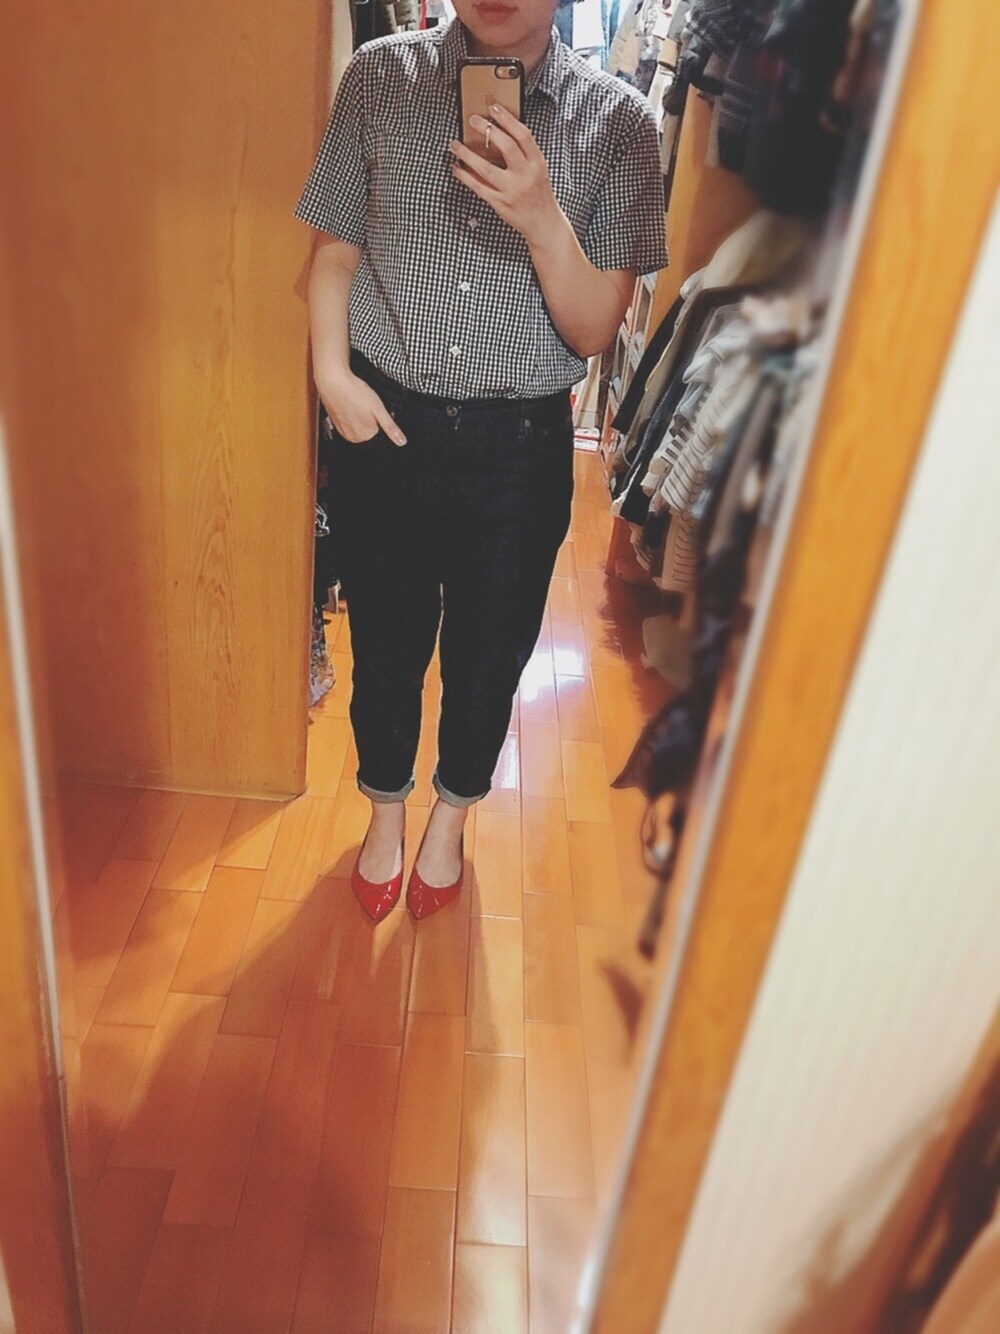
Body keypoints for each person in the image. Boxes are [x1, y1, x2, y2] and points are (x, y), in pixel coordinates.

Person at [295, 0, 667, 922]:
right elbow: (335, 248)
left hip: (519, 445)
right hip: (384, 424)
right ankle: (385, 811)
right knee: (384, 650)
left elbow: (594, 327)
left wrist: (541, 217)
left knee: (489, 658)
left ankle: (450, 820)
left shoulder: (621, 124)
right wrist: (331, 372)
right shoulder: (379, 76)